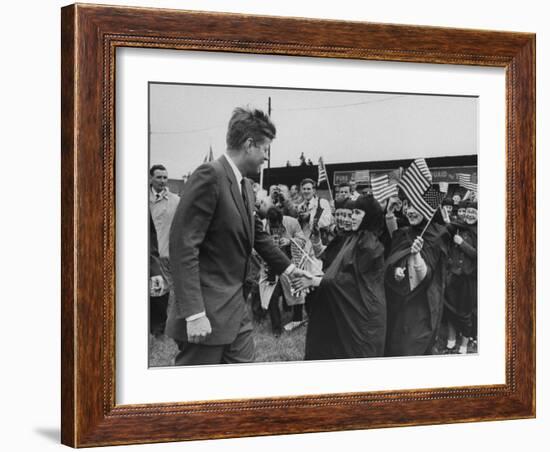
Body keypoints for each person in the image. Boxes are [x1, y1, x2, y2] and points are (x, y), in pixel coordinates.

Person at [165, 107, 309, 365]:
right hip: (206, 313)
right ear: (249, 144)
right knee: (198, 398)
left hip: (236, 311)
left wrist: (288, 269)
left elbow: (257, 235)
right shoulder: (209, 175)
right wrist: (194, 313)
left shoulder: (245, 186)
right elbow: (183, 246)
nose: (266, 157)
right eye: (265, 149)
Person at [293, 195, 387, 360]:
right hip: (349, 309)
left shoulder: (369, 244)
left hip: (364, 315)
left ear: (369, 215)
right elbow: (336, 271)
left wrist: (314, 281)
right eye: (353, 212)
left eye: (358, 213)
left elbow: (351, 282)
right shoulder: (354, 237)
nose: (352, 217)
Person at [384, 203, 450, 356]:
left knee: (413, 346)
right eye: (409, 206)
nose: (411, 212)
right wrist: (395, 270)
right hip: (398, 299)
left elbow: (427, 276)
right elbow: (394, 255)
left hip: (422, 302)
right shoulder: (404, 232)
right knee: (394, 343)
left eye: (417, 207)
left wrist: (416, 255)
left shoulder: (437, 235)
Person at [258, 207, 307, 336]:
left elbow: (303, 240)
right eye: (272, 226)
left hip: (289, 263)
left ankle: (297, 320)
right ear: (268, 220)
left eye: (277, 226)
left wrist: (290, 241)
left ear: (282, 220)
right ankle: (276, 328)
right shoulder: (261, 225)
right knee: (272, 296)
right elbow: (253, 246)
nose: (275, 229)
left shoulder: (292, 222)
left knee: (296, 290)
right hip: (270, 267)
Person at [149, 164, 180, 336]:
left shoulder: (175, 200)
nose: (162, 181)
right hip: (145, 254)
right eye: (159, 177)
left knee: (160, 294)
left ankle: (158, 330)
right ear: (151, 178)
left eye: (165, 177)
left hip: (164, 255)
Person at [444, 201, 477, 353]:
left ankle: (463, 344)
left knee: (465, 313)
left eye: (474, 213)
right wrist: (445, 220)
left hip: (468, 279)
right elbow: (447, 227)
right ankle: (451, 340)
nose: (470, 215)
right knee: (450, 310)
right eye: (468, 212)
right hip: (453, 276)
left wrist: (462, 243)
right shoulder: (457, 227)